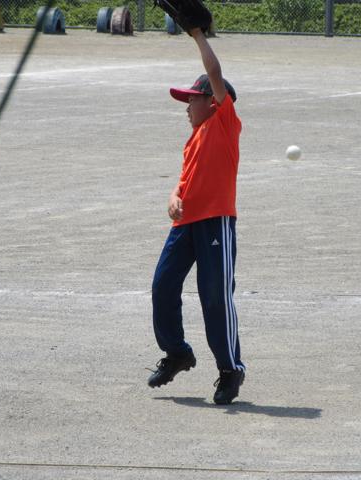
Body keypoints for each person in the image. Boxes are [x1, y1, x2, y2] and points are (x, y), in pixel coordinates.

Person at [148, 27, 245, 405]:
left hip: (215, 222)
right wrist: (173, 196)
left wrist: (197, 35)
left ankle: (230, 369)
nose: (187, 106)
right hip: (185, 224)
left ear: (214, 102)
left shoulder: (224, 124)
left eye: (192, 99)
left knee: (215, 297)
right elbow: (185, 180)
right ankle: (177, 352)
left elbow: (215, 73)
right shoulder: (194, 138)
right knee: (162, 286)